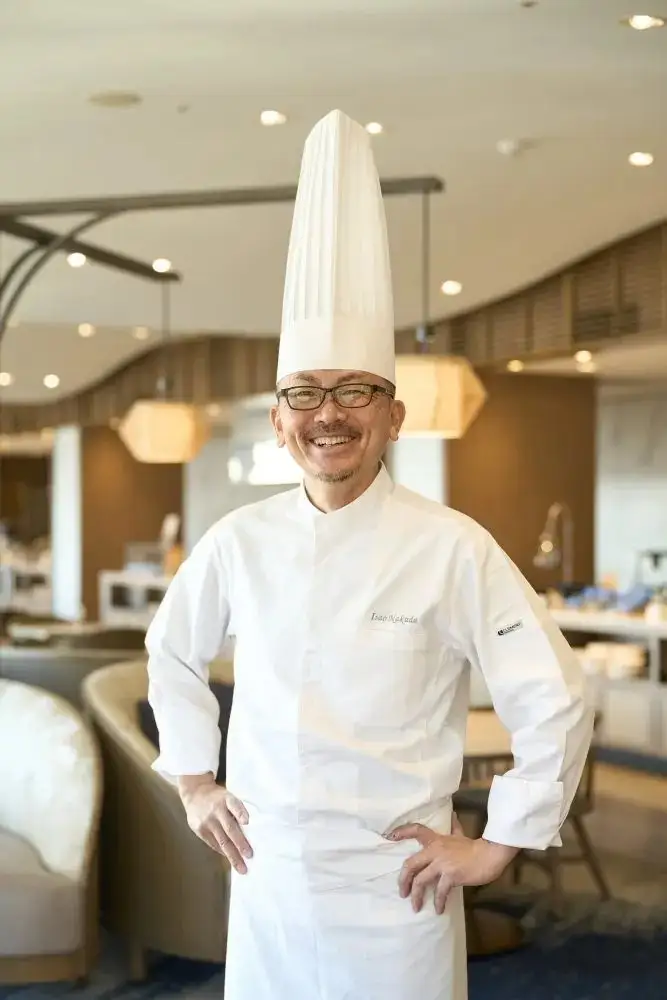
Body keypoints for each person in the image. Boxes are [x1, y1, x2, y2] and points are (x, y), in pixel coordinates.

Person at [145, 109, 594, 1000]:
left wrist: (497, 842)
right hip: (268, 874)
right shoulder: (238, 541)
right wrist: (195, 782)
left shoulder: (452, 547)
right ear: (279, 423)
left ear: (393, 416)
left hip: (398, 883)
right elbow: (171, 653)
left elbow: (555, 696)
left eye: (356, 391)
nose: (329, 413)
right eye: (304, 394)